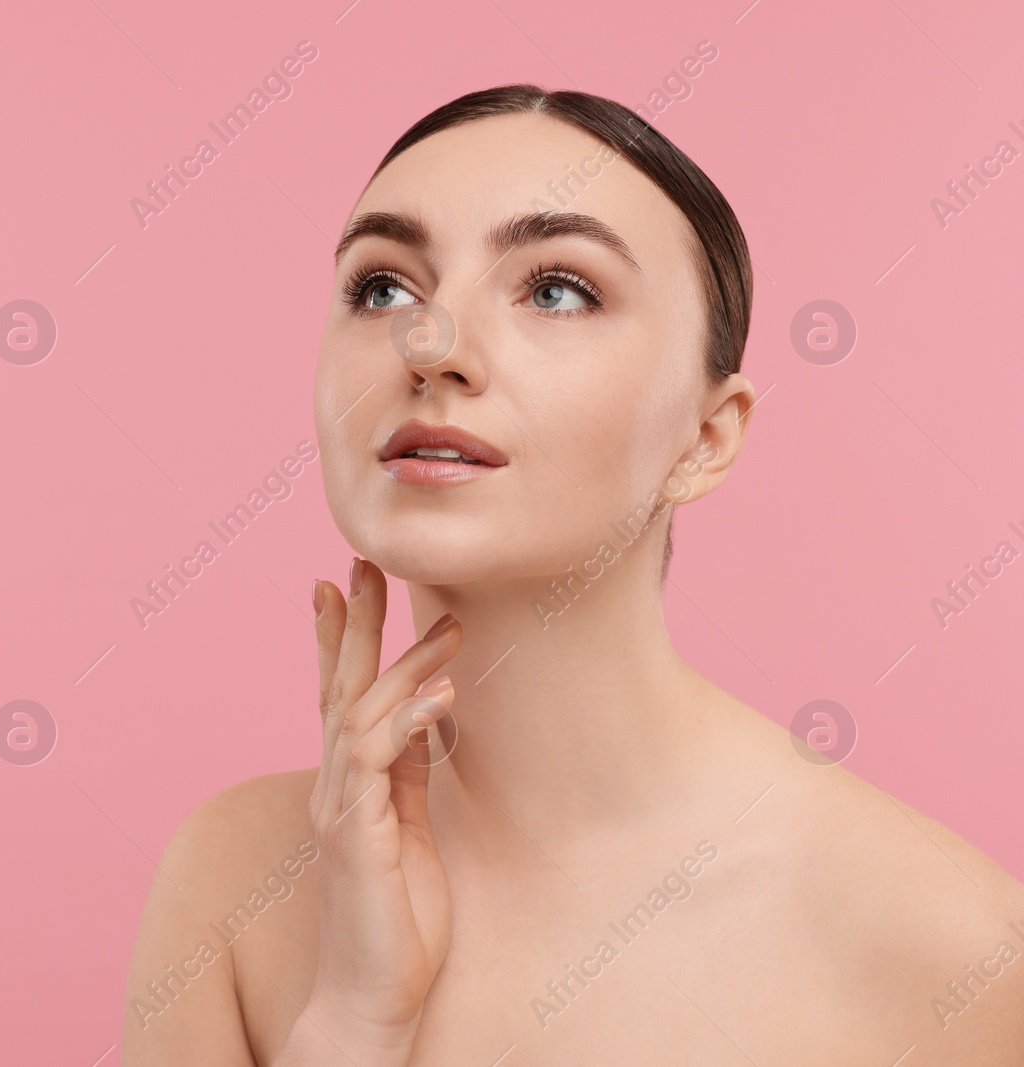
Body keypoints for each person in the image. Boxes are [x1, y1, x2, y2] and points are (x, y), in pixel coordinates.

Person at [122, 84, 1024, 1064]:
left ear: (706, 436)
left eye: (557, 288)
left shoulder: (953, 950)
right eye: (382, 287)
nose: (432, 346)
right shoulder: (231, 882)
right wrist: (350, 1022)